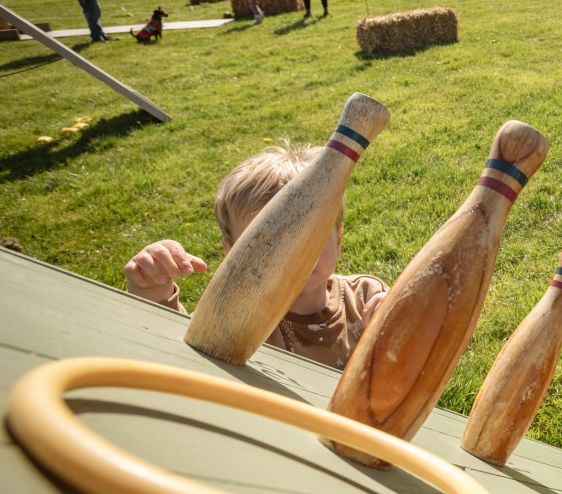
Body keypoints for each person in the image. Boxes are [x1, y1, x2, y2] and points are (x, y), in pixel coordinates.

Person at [123, 143, 388, 370]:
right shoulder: (232, 317)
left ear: (338, 239)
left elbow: (412, 350)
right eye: (266, 242)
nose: (293, 254)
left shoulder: (365, 296)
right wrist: (153, 288)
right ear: (233, 254)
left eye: (310, 234)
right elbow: (181, 351)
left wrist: (400, 315)